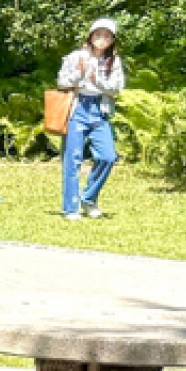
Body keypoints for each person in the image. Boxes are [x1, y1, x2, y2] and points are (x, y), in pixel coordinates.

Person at [58, 18, 126, 220]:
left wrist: (99, 81)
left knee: (108, 156)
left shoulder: (114, 62)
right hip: (77, 109)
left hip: (100, 109)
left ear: (113, 40)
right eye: (98, 34)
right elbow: (62, 81)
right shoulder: (76, 56)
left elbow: (116, 89)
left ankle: (88, 199)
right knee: (73, 159)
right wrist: (79, 74)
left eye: (107, 35)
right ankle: (71, 208)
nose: (102, 39)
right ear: (90, 36)